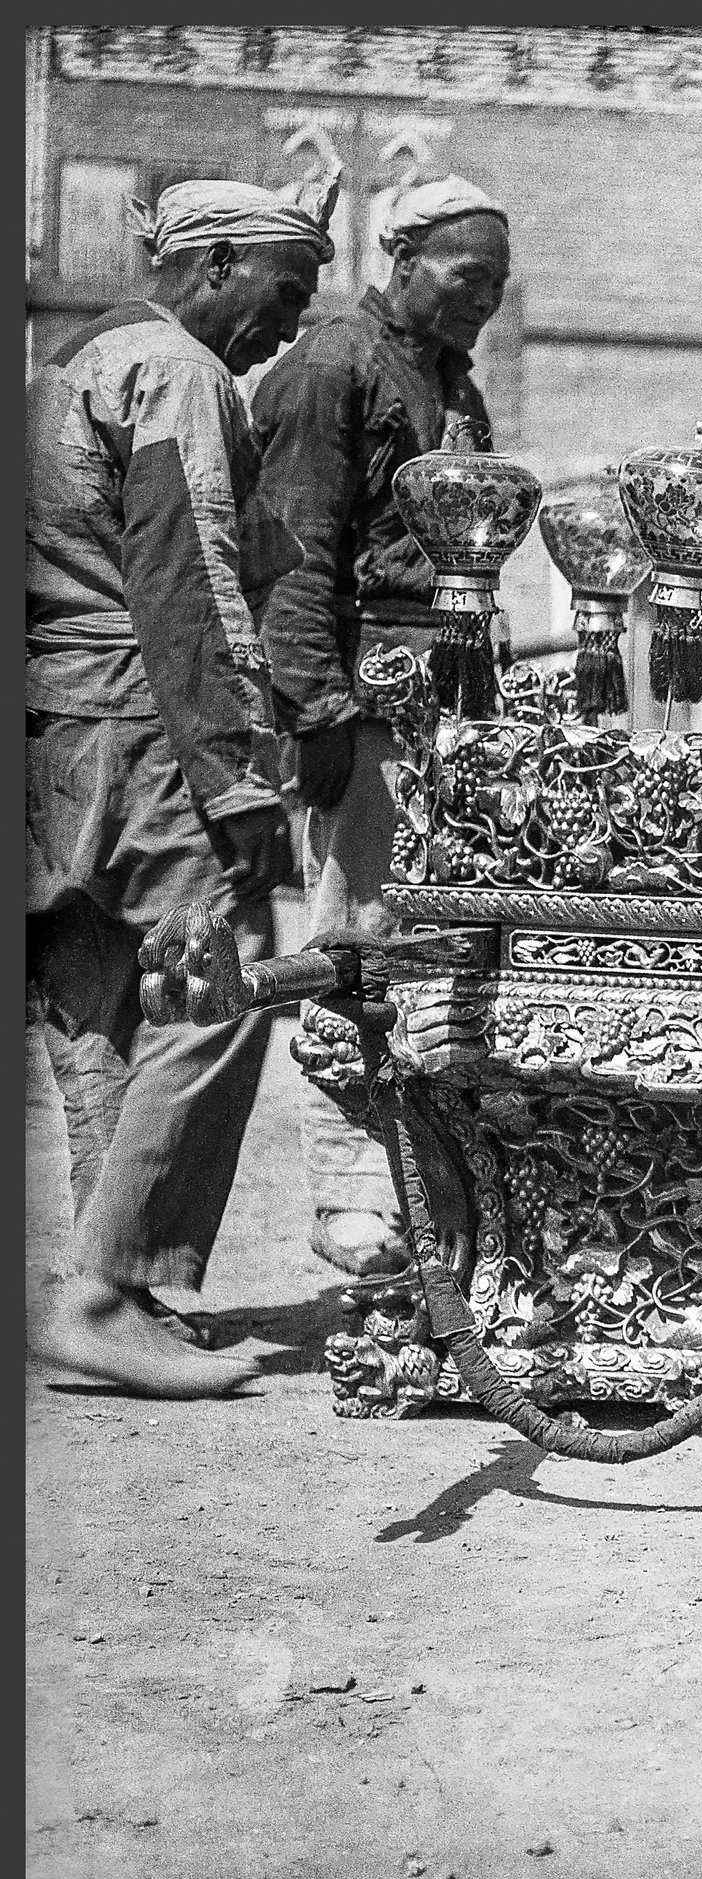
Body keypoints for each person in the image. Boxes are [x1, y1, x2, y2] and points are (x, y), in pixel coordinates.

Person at [26, 174, 337, 1397]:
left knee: (101, 999)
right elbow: (190, 584)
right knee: (219, 985)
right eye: (285, 291)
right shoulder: (180, 374)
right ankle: (107, 1294)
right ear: (214, 266)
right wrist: (240, 782)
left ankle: (115, 1294)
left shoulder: (73, 359)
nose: (289, 324)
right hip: (149, 728)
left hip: (58, 732)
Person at [252, 175, 508, 1280]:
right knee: (354, 941)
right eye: (466, 276)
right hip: (362, 693)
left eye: (498, 284)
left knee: (433, 942)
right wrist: (315, 710)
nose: (483, 299)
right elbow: (293, 556)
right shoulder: (332, 367)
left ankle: (437, 1185)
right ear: (402, 261)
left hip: (448, 697)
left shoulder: (452, 380)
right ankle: (355, 1202)